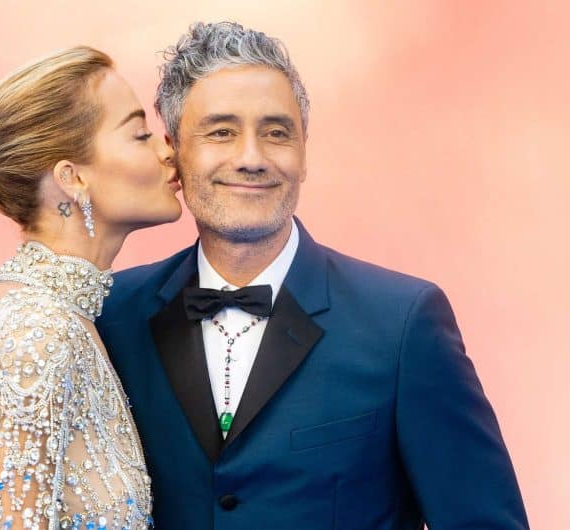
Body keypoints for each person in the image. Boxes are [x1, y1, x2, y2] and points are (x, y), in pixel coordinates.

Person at [96, 22, 529, 529]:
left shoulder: (403, 324)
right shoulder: (113, 315)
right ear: (173, 153)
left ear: (304, 152)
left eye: (276, 133)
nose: (252, 158)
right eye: (221, 132)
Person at [0, 46, 181, 530]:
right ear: (71, 178)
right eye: (140, 135)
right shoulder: (29, 331)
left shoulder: (66, 319)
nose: (167, 151)